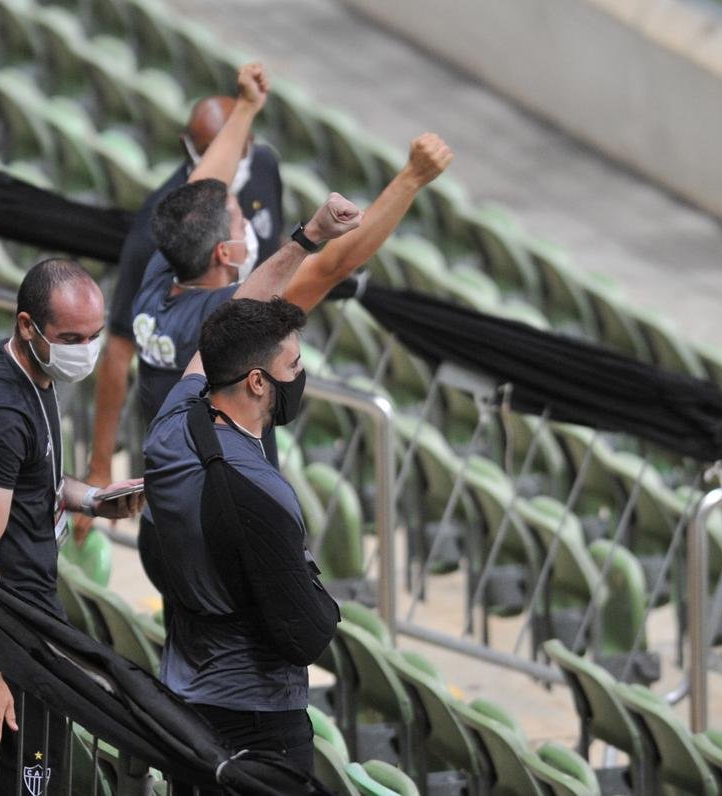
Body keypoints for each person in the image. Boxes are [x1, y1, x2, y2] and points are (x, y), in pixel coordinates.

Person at [140, 210, 366, 777]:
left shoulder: (171, 428)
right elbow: (303, 632)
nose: (302, 373)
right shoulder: (263, 489)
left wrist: (308, 238)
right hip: (259, 721)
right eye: (294, 364)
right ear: (258, 381)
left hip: (185, 700)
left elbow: (233, 315)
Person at [0, 260, 145, 795]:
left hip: (23, 631)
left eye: (94, 336)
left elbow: (32, 480)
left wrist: (91, 500)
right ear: (28, 325)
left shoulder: (32, 374)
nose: (87, 351)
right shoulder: (0, 411)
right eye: (72, 337)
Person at [75, 67, 284, 547]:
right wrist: (101, 464)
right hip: (198, 445)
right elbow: (117, 352)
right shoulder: (160, 234)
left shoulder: (266, 168)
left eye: (242, 141)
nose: (239, 158)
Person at [131, 131, 455, 437]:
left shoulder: (158, 275)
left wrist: (246, 105)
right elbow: (333, 265)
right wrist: (412, 177)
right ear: (223, 252)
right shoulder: (229, 319)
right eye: (239, 221)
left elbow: (197, 192)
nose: (248, 223)